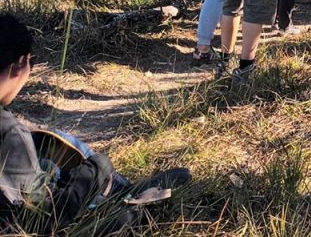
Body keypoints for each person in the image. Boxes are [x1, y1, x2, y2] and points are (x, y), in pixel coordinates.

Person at [0, 14, 190, 233]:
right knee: (124, 218)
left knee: (44, 143)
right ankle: (122, 194)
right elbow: (49, 217)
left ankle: (119, 190)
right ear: (21, 64)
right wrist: (96, 168)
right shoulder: (10, 134)